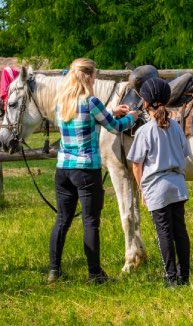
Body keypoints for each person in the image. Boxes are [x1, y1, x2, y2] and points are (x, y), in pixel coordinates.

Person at [49, 58, 138, 283]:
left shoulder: (61, 102)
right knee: (90, 221)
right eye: (94, 75)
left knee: (62, 219)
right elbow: (115, 127)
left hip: (63, 169)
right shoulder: (91, 102)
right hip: (86, 170)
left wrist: (111, 110)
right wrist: (132, 117)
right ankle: (95, 273)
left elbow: (92, 118)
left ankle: (54, 270)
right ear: (87, 76)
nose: (95, 79)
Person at [127, 78, 192, 287]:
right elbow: (185, 153)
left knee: (163, 232)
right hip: (178, 185)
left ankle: (170, 277)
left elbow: (137, 165)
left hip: (157, 187)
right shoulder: (176, 127)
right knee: (180, 231)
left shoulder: (144, 131)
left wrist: (142, 190)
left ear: (145, 103)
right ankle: (184, 276)